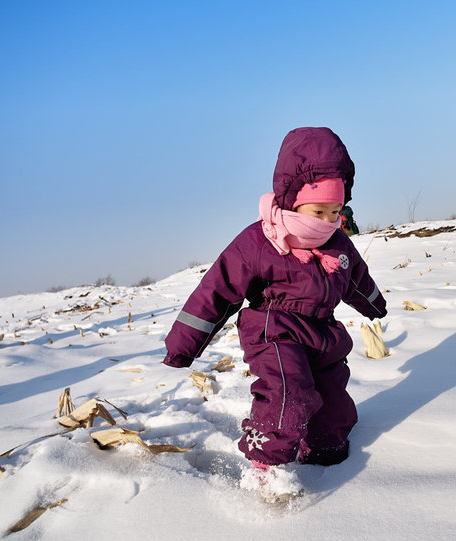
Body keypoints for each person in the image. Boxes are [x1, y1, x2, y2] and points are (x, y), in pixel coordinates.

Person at [163, 127, 387, 502]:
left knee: (333, 414)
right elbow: (216, 289)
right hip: (274, 330)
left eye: (336, 211)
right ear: (291, 201)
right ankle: (265, 466)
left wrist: (375, 305)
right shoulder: (259, 240)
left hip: (324, 333)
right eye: (319, 211)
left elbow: (356, 278)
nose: (328, 220)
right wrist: (184, 344)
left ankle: (318, 450)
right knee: (288, 393)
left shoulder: (338, 244)